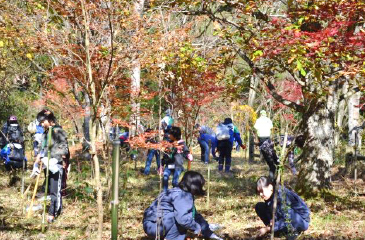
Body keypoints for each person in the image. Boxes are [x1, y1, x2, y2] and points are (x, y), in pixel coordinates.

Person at [143, 171, 223, 240]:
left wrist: (207, 230)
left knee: (183, 217)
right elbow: (183, 219)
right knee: (181, 219)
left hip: (150, 225)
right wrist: (197, 228)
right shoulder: (183, 196)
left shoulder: (176, 192)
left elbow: (194, 215)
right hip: (156, 227)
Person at [33, 110, 69, 223]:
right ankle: (53, 209)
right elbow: (42, 148)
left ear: (49, 120)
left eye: (43, 121)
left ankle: (53, 213)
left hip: (56, 164)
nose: (42, 124)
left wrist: (56, 158)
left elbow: (64, 149)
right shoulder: (45, 133)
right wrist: (38, 159)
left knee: (55, 190)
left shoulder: (59, 131)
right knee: (49, 188)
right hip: (47, 164)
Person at [162, 126, 193, 191]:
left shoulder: (182, 143)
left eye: (170, 134)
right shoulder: (169, 143)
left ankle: (176, 193)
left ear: (175, 135)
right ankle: (164, 193)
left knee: (174, 182)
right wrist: (162, 164)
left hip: (177, 165)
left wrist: (188, 155)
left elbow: (185, 151)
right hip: (169, 165)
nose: (169, 135)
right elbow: (165, 155)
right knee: (165, 177)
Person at [254, 110, 276, 179]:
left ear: (260, 114)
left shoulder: (258, 120)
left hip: (261, 137)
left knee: (264, 149)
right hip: (267, 137)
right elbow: (271, 127)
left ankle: (263, 158)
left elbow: (255, 128)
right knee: (269, 151)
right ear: (265, 114)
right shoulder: (268, 120)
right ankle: (272, 174)